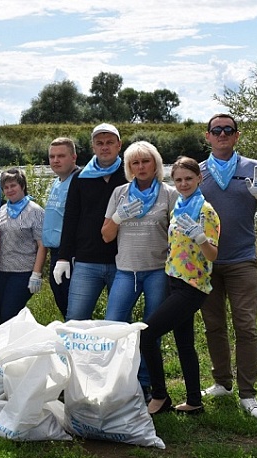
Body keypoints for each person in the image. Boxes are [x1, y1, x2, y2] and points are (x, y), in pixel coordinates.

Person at [198, 113, 257, 420]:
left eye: (228, 130)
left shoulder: (254, 168)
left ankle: (248, 394)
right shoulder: (197, 171)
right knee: (214, 325)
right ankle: (222, 382)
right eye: (216, 130)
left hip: (241, 260)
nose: (222, 134)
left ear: (236, 135)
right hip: (206, 262)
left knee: (246, 327)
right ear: (207, 135)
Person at [142, 156, 220, 415]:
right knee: (184, 343)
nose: (184, 183)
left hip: (192, 287)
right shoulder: (180, 206)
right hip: (173, 280)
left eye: (189, 178)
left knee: (146, 335)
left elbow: (212, 255)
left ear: (199, 178)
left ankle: (160, 397)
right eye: (178, 180)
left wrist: (200, 236)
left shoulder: (205, 210)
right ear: (173, 182)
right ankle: (194, 402)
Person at [101, 141, 178, 399]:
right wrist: (118, 217)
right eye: (135, 162)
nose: (141, 166)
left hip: (157, 271)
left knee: (149, 330)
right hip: (125, 271)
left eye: (146, 161)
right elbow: (106, 237)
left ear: (155, 163)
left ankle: (145, 383)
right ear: (129, 167)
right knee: (113, 325)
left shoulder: (169, 193)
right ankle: (114, 380)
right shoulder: (120, 194)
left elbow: (178, 234)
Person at [53, 123, 128, 321]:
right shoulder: (80, 177)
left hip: (122, 261)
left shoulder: (129, 175)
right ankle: (74, 353)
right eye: (100, 143)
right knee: (75, 318)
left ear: (119, 145)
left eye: (110, 142)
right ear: (93, 147)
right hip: (87, 260)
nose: (105, 147)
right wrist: (63, 257)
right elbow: (71, 218)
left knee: (119, 321)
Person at [0, 167, 46, 324]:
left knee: (10, 314)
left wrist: (37, 274)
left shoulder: (35, 211)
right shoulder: (3, 209)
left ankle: (18, 345)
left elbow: (42, 245)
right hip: (0, 271)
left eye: (13, 185)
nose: (9, 190)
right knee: (0, 315)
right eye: (6, 187)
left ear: (22, 186)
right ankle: (7, 347)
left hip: (22, 273)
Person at [42, 137, 80, 319]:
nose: (55, 160)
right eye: (52, 156)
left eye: (61, 156)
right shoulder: (57, 181)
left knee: (73, 309)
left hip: (71, 254)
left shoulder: (79, 180)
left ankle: (80, 344)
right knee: (62, 304)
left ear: (74, 157)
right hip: (55, 252)